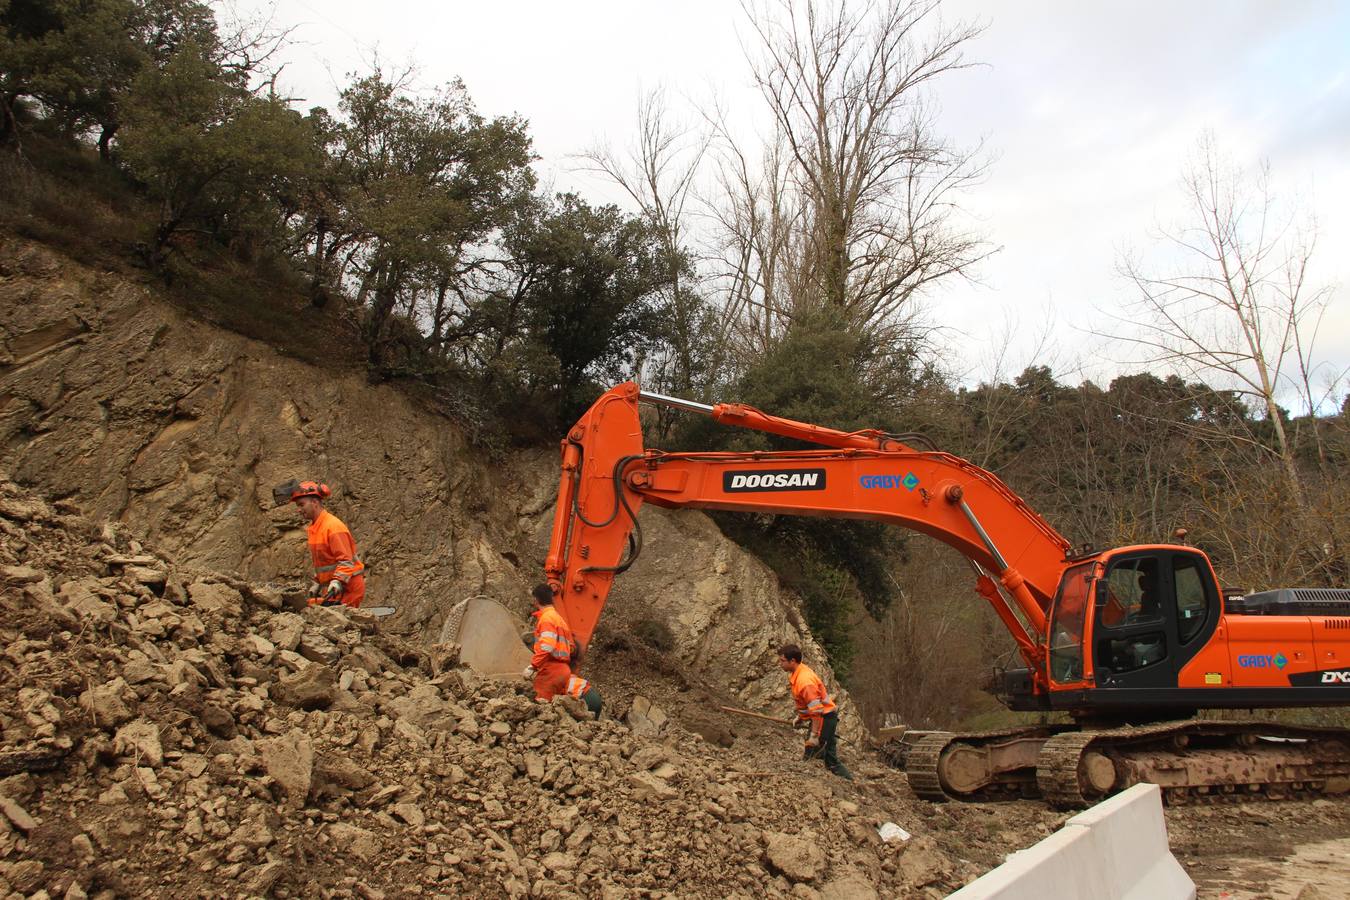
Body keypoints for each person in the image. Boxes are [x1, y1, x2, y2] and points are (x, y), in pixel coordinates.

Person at [777, 644, 852, 780]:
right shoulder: (797, 673)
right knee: (829, 758)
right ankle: (850, 782)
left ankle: (810, 783)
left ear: (792, 661)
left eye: (782, 661)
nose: (780, 664)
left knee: (812, 754)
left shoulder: (805, 681)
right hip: (824, 718)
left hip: (824, 719)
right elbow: (807, 704)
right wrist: (801, 717)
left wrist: (814, 735)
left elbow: (817, 710)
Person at [291, 481, 366, 609]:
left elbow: (345, 561)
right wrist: (317, 582)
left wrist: (337, 580)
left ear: (314, 502)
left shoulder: (333, 527)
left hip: (348, 586)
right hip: (333, 587)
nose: (299, 510)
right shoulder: (315, 528)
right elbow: (325, 562)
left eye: (301, 505)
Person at [523, 584, 579, 702]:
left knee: (540, 704)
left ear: (536, 600)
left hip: (552, 670)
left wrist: (533, 666)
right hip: (563, 670)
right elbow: (571, 647)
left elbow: (547, 646)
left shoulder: (547, 619)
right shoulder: (559, 619)